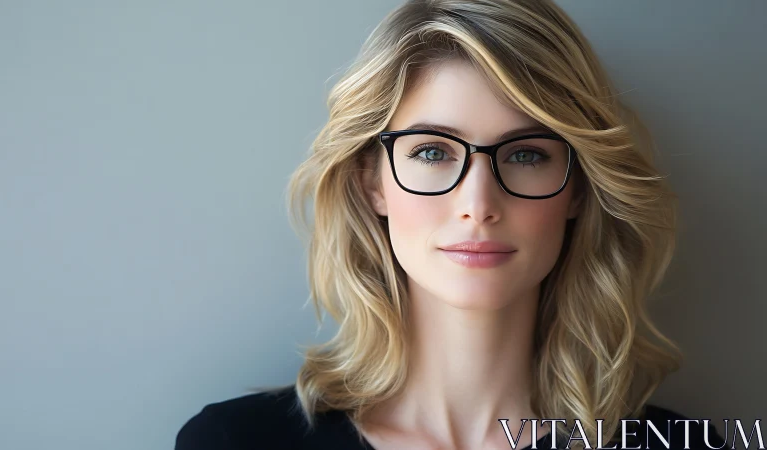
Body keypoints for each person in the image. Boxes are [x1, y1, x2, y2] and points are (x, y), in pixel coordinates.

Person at [175, 1, 728, 449]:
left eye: (526, 154)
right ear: (372, 181)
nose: (478, 205)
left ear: (578, 188)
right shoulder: (235, 441)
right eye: (433, 152)